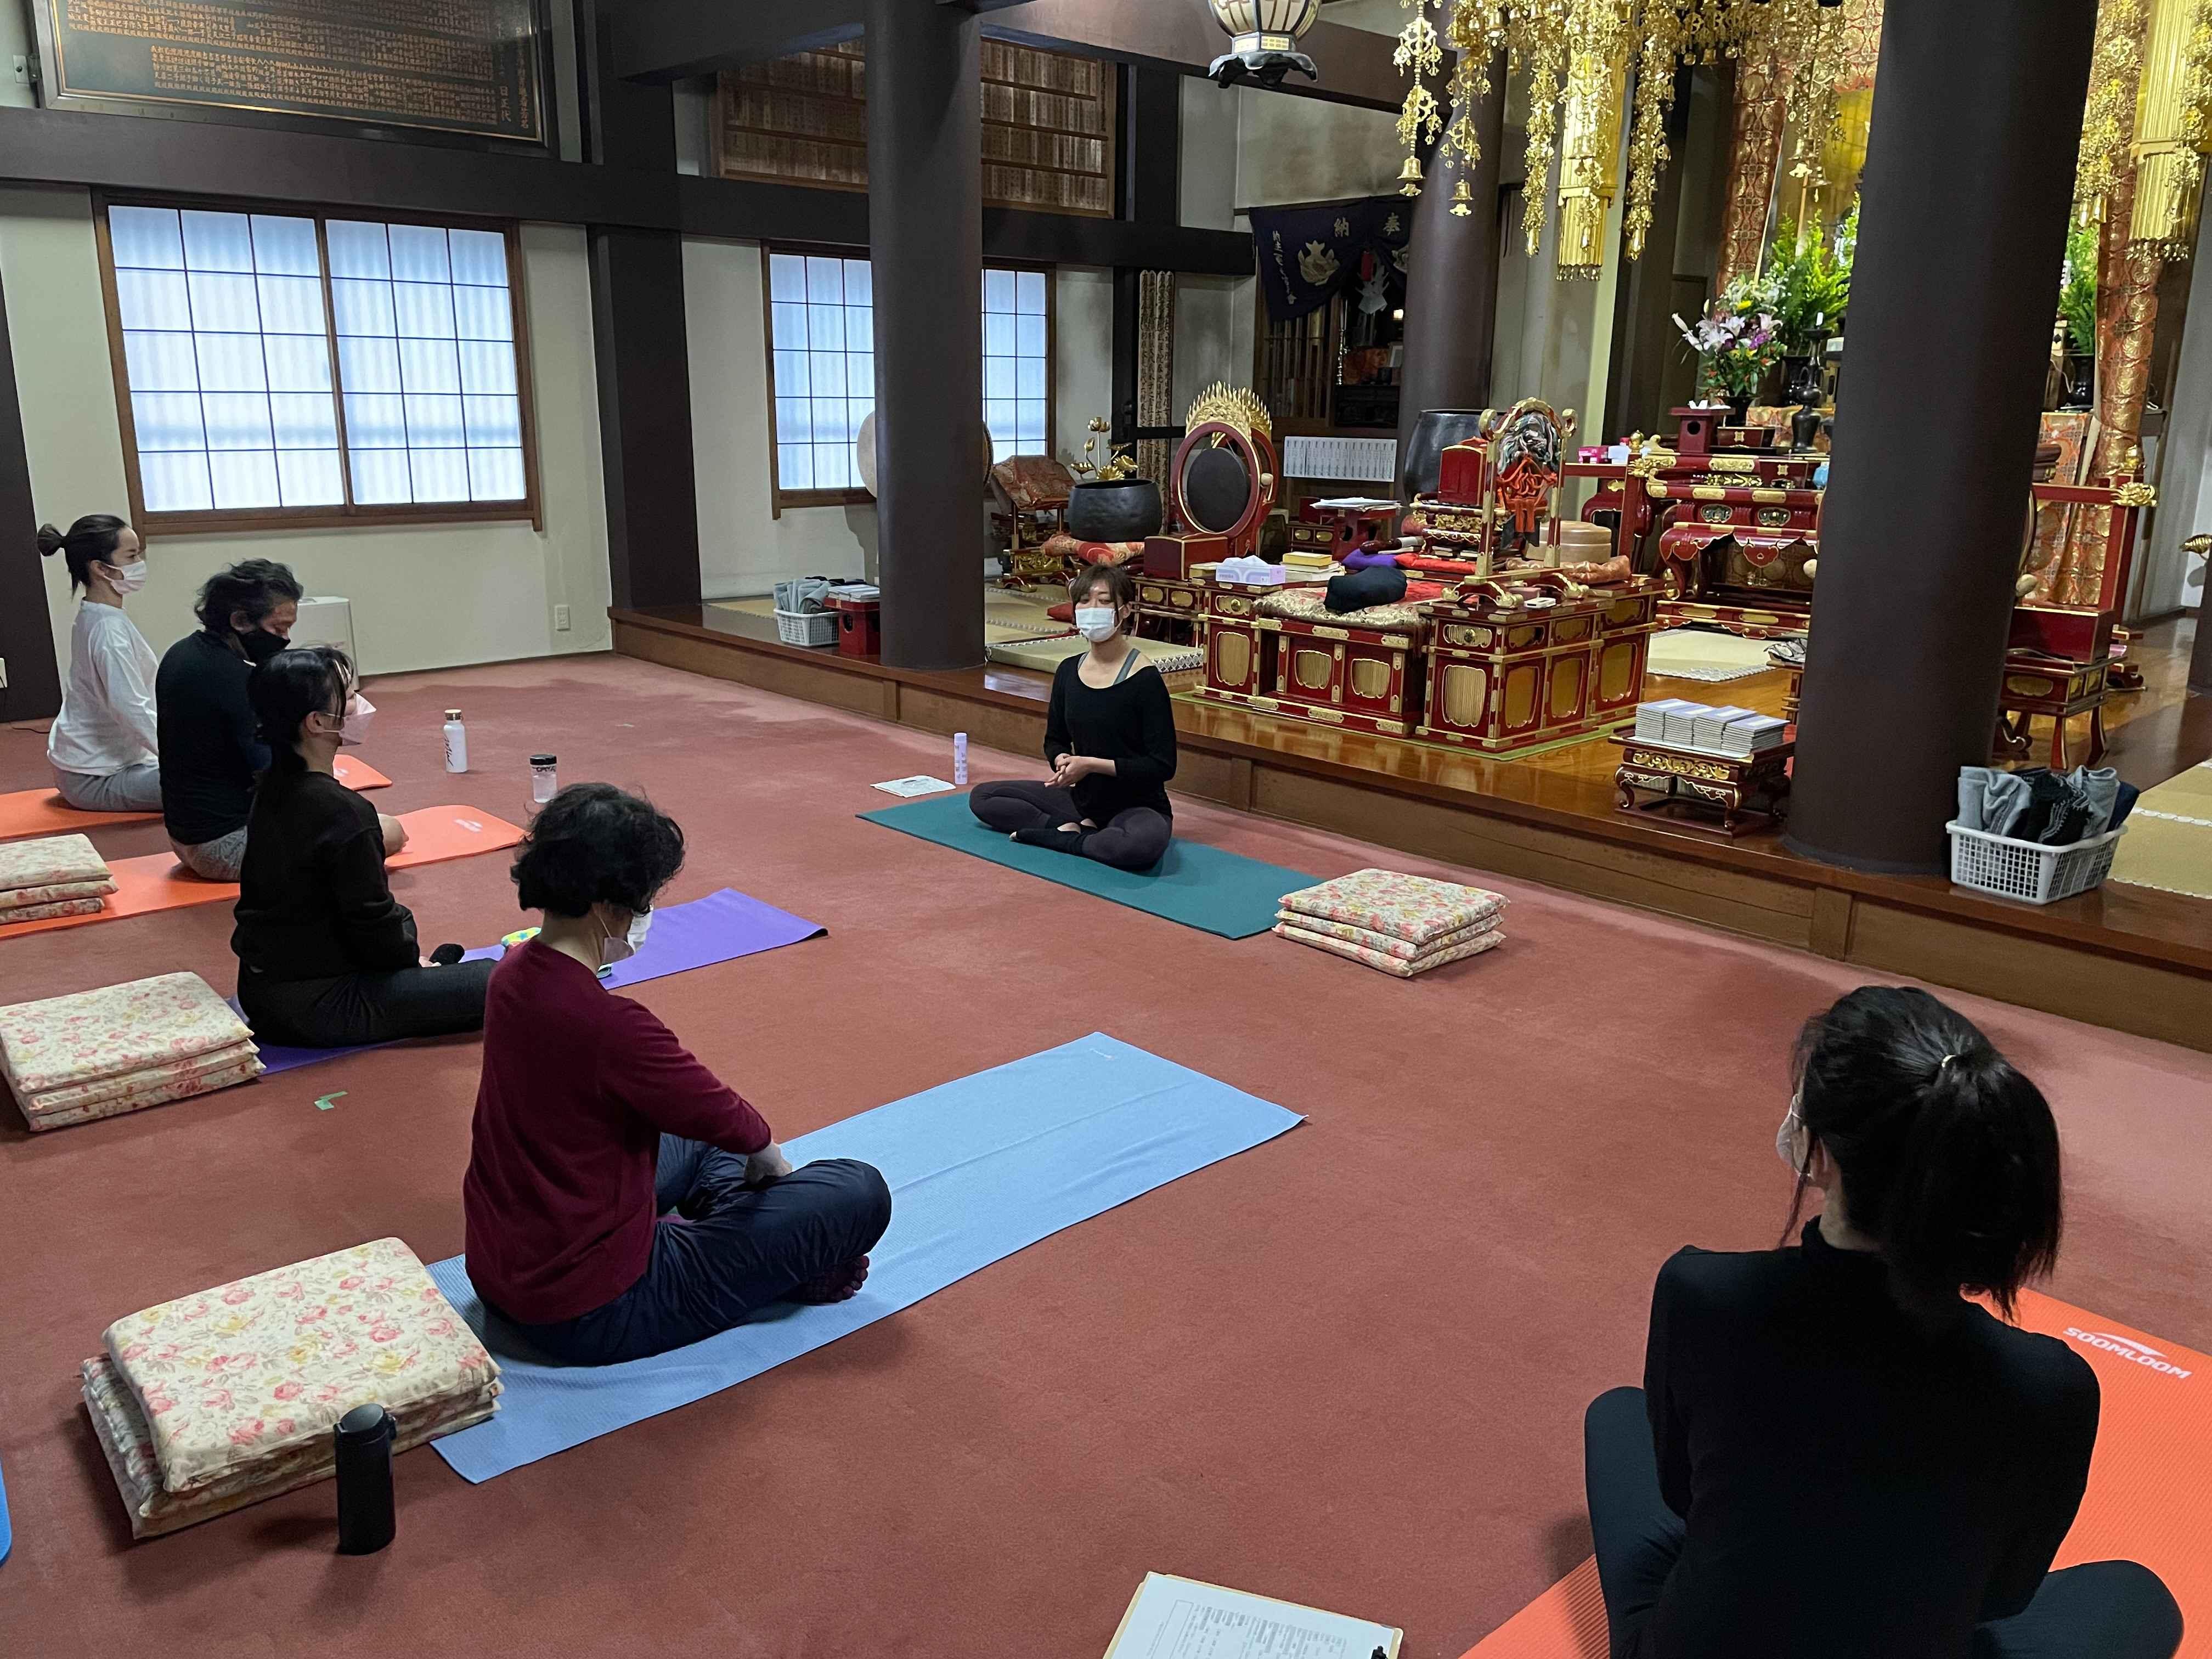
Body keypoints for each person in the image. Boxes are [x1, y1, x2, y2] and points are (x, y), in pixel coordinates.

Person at [1582, 985, 2183, 1659]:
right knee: (2138, 1594)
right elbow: (2004, 1596)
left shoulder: (1703, 1293)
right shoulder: (2050, 1384)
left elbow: (1682, 1496)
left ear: (1821, 1150)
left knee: (1619, 1418)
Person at [462, 783, 891, 1364]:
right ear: (607, 905)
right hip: (593, 1311)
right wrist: (767, 1155)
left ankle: (751, 1244)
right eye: (645, 898)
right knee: (858, 1190)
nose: (647, 913)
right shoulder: (610, 1023)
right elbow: (739, 1126)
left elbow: (707, 1111)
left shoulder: (511, 974)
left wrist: (750, 1145)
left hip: (500, 1275)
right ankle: (764, 1258)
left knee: (699, 1140)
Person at [233, 647, 490, 1048]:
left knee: (401, 920)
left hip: (260, 989)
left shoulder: (271, 786)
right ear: (317, 722)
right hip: (318, 1006)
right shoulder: (344, 812)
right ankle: (426, 976)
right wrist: (409, 965)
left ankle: (421, 974)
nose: (358, 706)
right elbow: (371, 922)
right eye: (348, 698)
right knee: (493, 980)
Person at [155, 558, 405, 880]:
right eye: (278, 629)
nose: (285, 639)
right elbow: (283, 778)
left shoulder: (182, 652)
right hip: (224, 846)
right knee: (388, 831)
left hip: (185, 837)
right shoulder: (235, 679)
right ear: (241, 621)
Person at [968, 562, 1175, 872]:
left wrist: (1090, 764)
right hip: (1082, 800)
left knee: (1139, 847)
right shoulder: (1068, 670)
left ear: (1126, 610)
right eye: (1085, 601)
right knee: (984, 798)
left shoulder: (1144, 679)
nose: (1094, 609)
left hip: (1137, 806)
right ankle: (1081, 830)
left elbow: (1162, 765)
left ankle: (1059, 838)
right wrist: (1063, 760)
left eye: (1105, 601)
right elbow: (1055, 739)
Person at [41, 515, 163, 813]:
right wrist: (181, 754)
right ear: (100, 568)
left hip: (102, 766)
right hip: (95, 779)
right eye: (131, 556)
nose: (139, 562)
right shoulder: (107, 629)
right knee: (223, 782)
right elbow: (130, 707)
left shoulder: (99, 615)